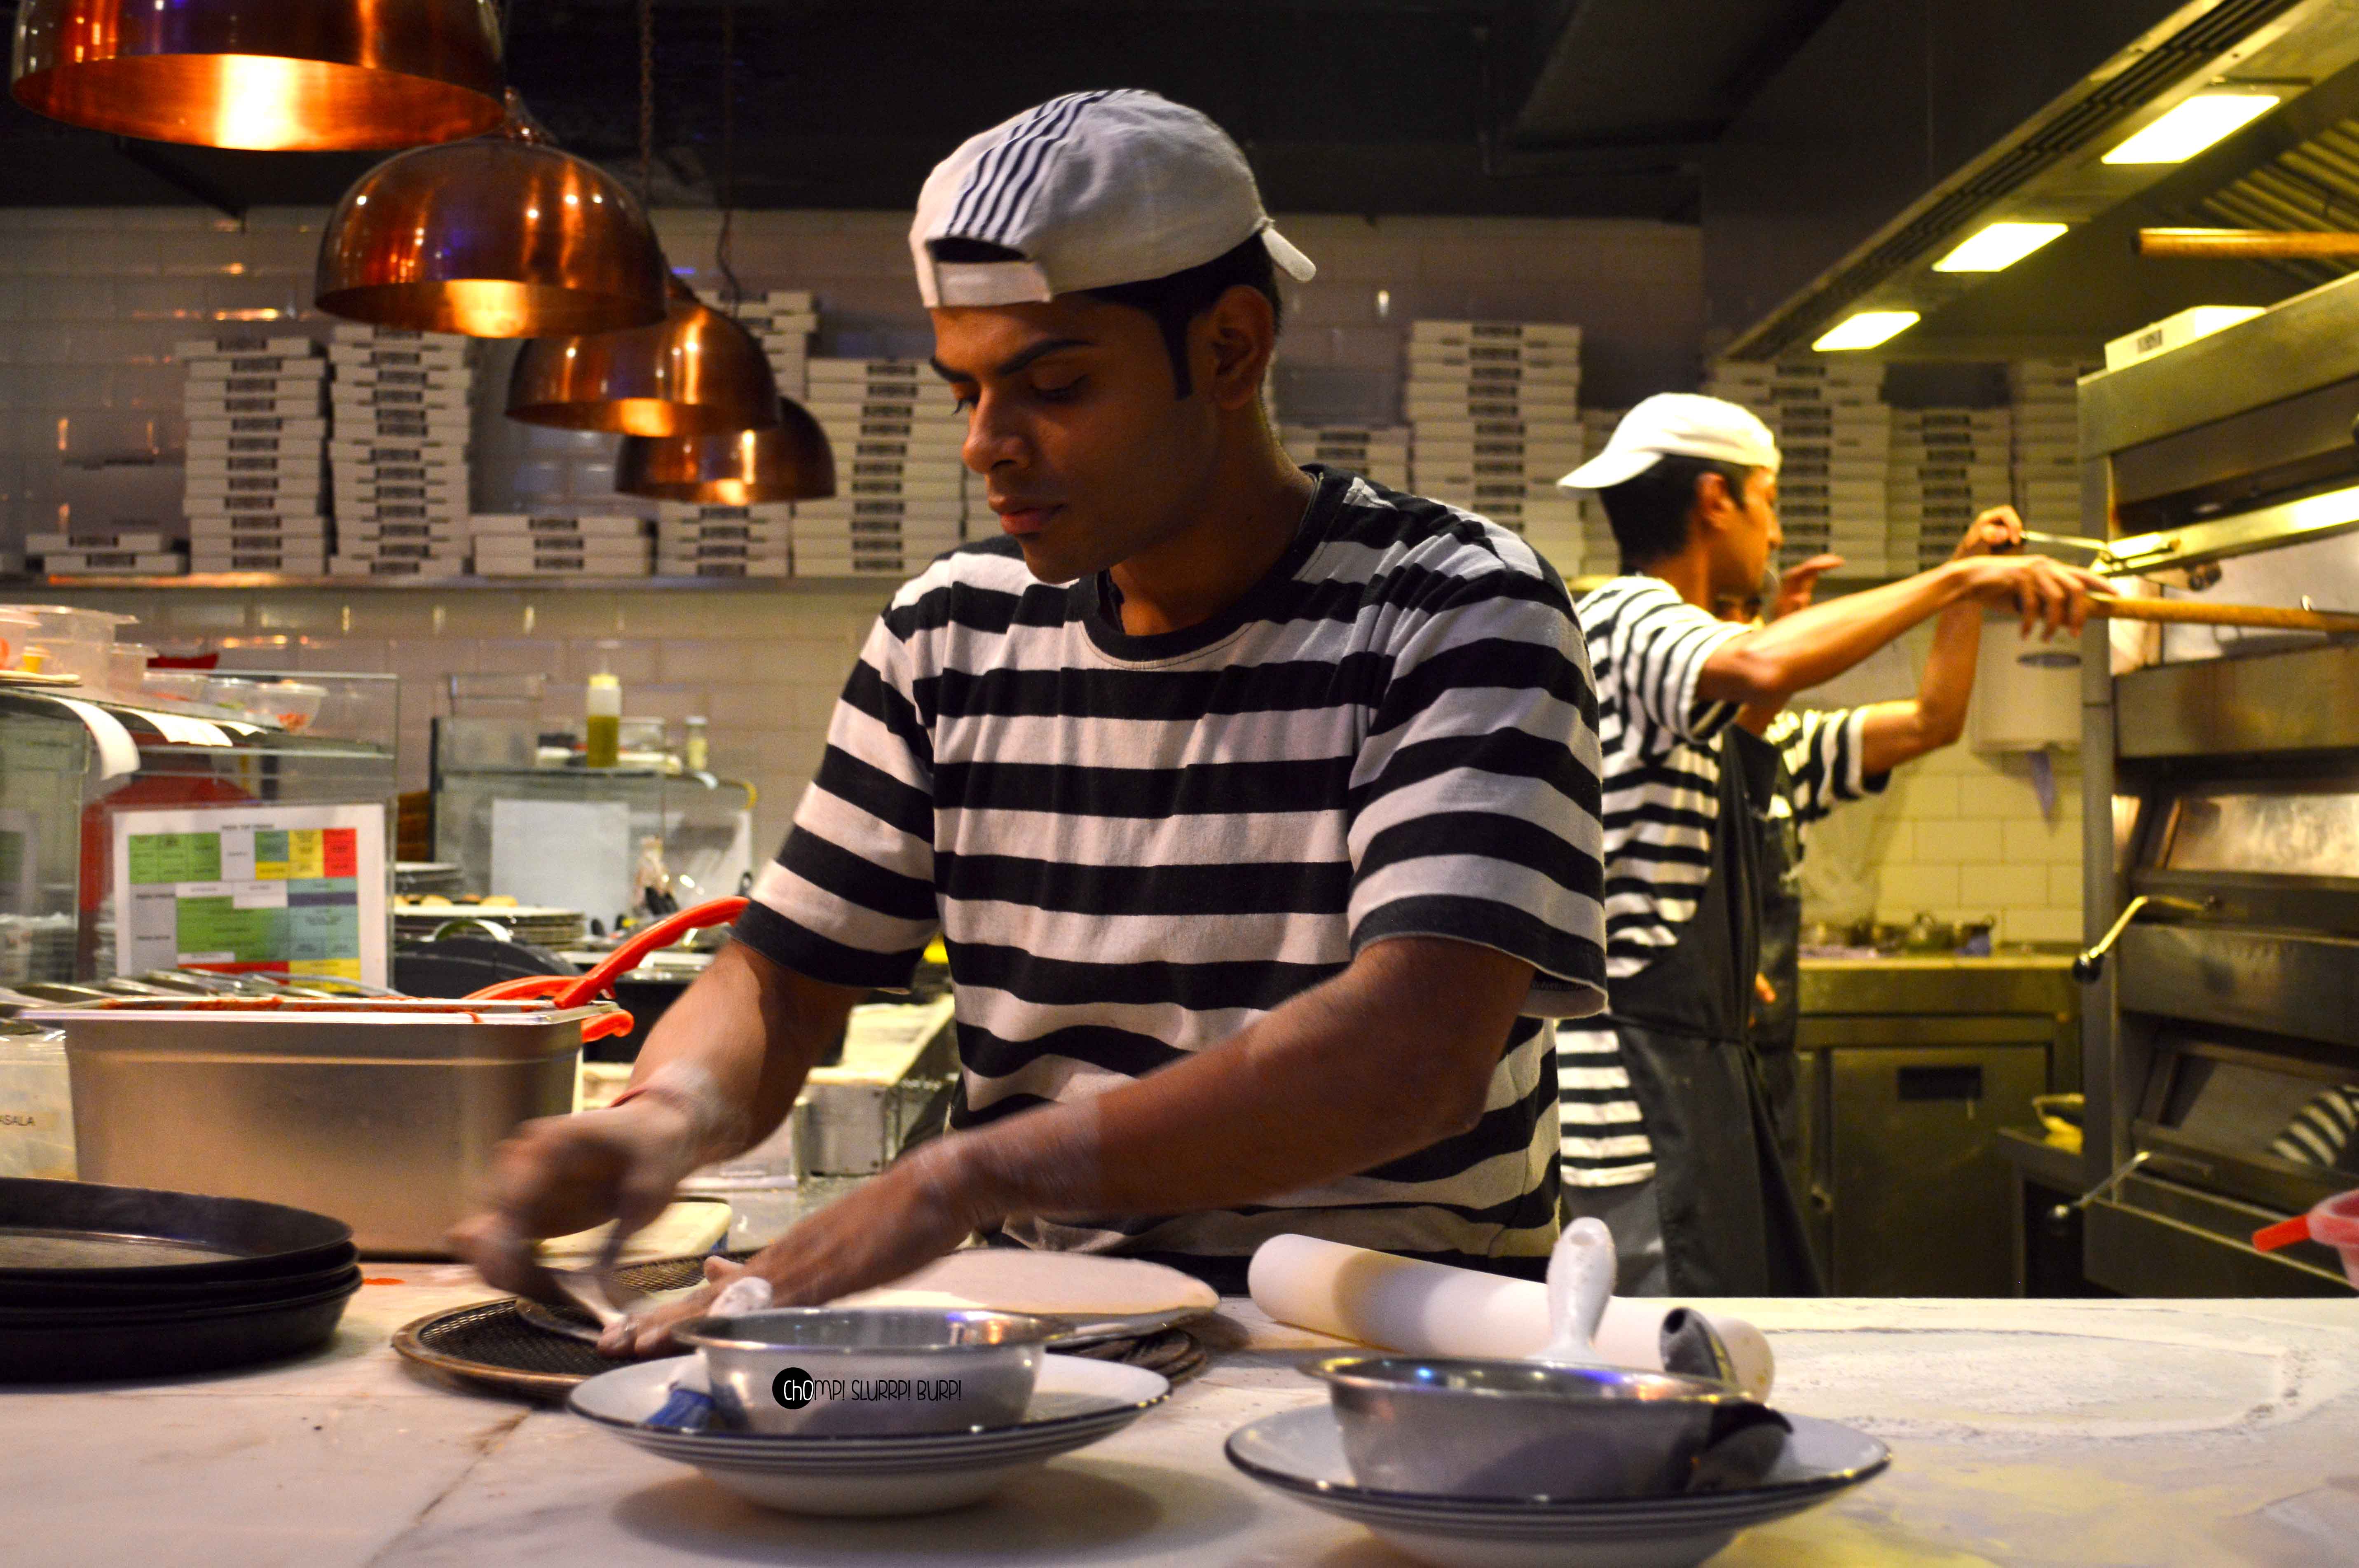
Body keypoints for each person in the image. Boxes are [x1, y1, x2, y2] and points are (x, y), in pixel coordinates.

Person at [454, 90, 1611, 1353]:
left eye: (1052, 384)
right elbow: (782, 982)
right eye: (964, 390)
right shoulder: (948, 633)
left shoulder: (1452, 607)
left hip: (1383, 1357)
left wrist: (964, 1176)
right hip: (1036, 1358)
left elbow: (1409, 1054)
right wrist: (659, 1117)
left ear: (1229, 349)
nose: (984, 444)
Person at [1553, 393, 2104, 1297]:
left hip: (1696, 1089)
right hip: (1632, 1100)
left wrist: (1964, 583)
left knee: (1718, 1337)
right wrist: (1954, 583)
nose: (1775, 536)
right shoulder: (1623, 614)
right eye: (1769, 502)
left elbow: (1929, 721)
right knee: (1654, 1350)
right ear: (1715, 499)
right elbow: (1760, 663)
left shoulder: (1730, 739)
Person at [1717, 512, 2016, 1188]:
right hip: (1675, 1079)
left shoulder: (1789, 747)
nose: (1742, 631)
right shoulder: (1654, 753)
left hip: (1765, 1069)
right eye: (1724, 615)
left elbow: (1931, 721)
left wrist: (1965, 586)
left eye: (1750, 615)